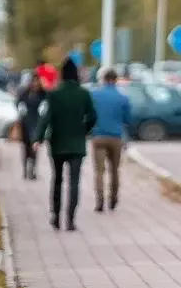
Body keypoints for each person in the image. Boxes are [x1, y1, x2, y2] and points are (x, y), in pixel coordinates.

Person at [34, 58, 96, 231]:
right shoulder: (83, 94)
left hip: (57, 143)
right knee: (74, 182)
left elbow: (46, 117)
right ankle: (70, 219)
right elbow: (92, 116)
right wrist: (84, 130)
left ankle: (55, 216)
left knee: (57, 180)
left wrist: (37, 138)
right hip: (77, 144)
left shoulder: (54, 94)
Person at [89, 67, 132, 212]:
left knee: (99, 171)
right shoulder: (123, 97)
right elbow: (127, 119)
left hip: (98, 136)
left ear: (103, 79)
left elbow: (89, 115)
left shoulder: (94, 95)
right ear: (116, 80)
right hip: (116, 137)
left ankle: (99, 200)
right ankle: (113, 199)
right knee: (114, 170)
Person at [16, 74, 47, 180]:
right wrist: (20, 108)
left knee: (35, 147)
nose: (35, 84)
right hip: (26, 123)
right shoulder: (24, 93)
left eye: (37, 81)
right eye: (33, 81)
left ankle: (32, 169)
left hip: (37, 123)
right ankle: (25, 169)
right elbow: (18, 102)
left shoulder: (43, 94)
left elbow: (47, 104)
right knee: (26, 148)